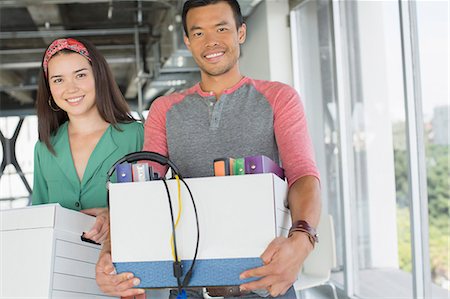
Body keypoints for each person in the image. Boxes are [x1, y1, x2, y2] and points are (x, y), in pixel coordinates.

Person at [96, 0, 321, 298]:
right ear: (187, 41)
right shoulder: (164, 110)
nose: (211, 41)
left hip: (266, 285)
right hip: (189, 288)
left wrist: (302, 239)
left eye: (222, 28)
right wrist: (111, 250)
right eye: (199, 33)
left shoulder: (279, 98)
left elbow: (302, 174)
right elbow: (143, 189)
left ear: (241, 32)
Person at [32, 37, 144, 244]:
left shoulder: (136, 135)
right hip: (62, 268)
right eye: (58, 80)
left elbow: (159, 205)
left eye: (80, 75)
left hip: (125, 264)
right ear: (49, 89)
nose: (71, 88)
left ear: (98, 77)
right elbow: (38, 218)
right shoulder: (44, 148)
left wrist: (115, 215)